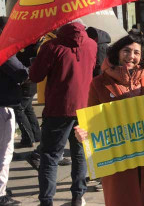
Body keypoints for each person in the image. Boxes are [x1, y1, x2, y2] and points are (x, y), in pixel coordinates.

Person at [74, 31, 144, 206]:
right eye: (126, 51)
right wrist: (82, 132)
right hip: (117, 158)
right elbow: (90, 118)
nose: (131, 56)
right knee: (121, 199)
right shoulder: (99, 83)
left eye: (136, 52)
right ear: (117, 52)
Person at [29, 22, 97, 206]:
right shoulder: (91, 44)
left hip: (59, 108)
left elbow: (35, 76)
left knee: (50, 156)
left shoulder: (51, 46)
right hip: (84, 105)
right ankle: (77, 196)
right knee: (79, 152)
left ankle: (46, 201)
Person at [0, 51, 29, 206]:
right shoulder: (3, 47)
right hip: (3, 104)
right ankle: (1, 193)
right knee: (4, 152)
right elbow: (20, 73)